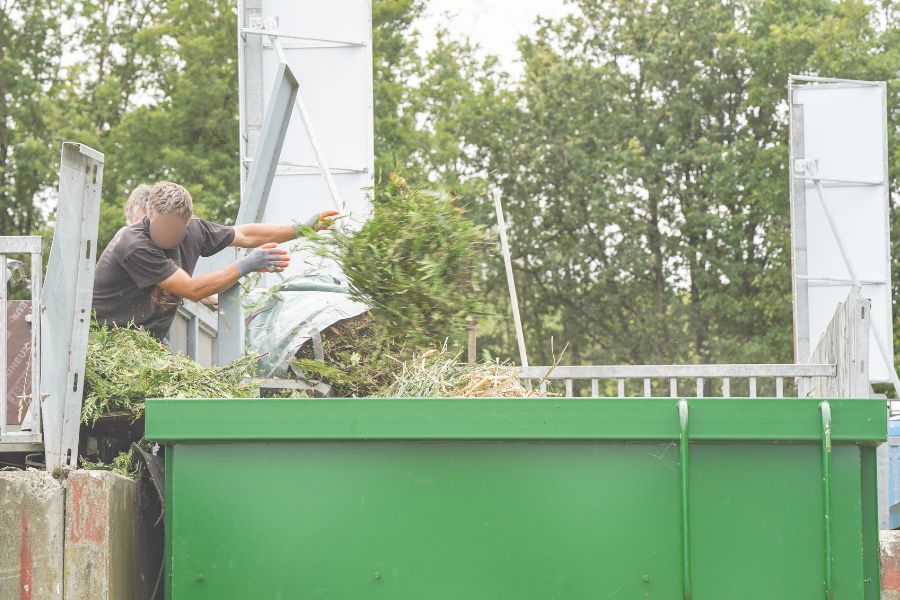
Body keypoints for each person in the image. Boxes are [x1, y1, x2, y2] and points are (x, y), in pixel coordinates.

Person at [93, 180, 337, 341]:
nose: (166, 236)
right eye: (160, 227)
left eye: (174, 230)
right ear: (150, 215)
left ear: (187, 222)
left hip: (145, 339)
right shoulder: (134, 244)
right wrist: (246, 265)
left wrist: (299, 230)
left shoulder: (196, 231)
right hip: (105, 338)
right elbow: (192, 290)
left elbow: (244, 234)